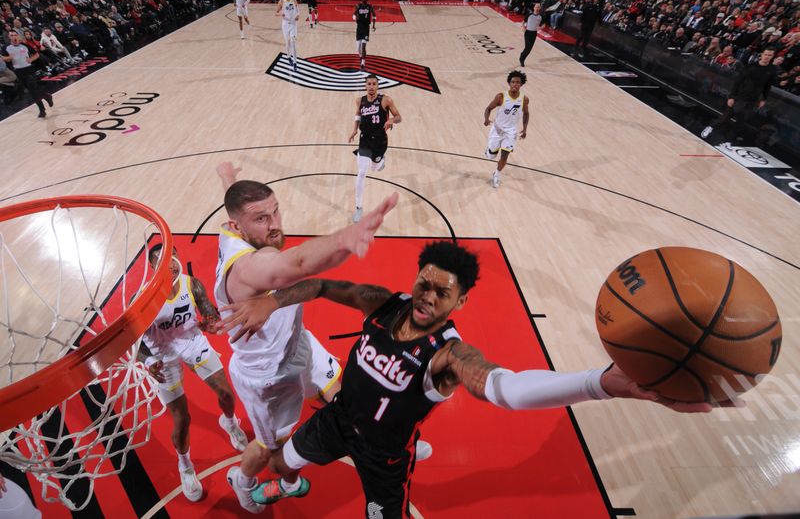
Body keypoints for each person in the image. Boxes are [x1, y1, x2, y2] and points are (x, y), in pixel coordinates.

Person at [219, 241, 715, 517]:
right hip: (337, 420)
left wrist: (598, 383)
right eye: (424, 282)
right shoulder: (384, 303)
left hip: (384, 456)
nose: (428, 295)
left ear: (461, 302)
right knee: (282, 463)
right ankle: (290, 486)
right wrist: (275, 298)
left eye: (443, 291)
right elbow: (327, 284)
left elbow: (509, 389)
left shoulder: (449, 355)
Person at [213, 162, 398, 513]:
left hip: (297, 342)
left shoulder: (233, 228)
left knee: (340, 391)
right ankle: (243, 481)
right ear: (238, 226)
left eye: (276, 211)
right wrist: (345, 237)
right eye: (262, 219)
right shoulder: (248, 267)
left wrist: (229, 179)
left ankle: (375, 445)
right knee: (270, 446)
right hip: (267, 373)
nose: (276, 224)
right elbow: (296, 265)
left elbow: (241, 207)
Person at [138, 244, 247, 502]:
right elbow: (135, 342)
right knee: (182, 418)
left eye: (173, 258)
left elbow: (208, 313)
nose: (172, 264)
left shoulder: (192, 285)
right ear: (153, 267)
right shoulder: (142, 300)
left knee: (227, 394)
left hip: (192, 341)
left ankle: (229, 423)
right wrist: (149, 360)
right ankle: (185, 466)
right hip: (162, 355)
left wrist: (210, 323)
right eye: (163, 261)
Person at [348, 74, 401, 223]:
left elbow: (399, 117)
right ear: (365, 86)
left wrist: (391, 119)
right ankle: (359, 208)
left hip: (380, 141)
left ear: (378, 86)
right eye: (369, 84)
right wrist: (354, 130)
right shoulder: (360, 100)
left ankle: (380, 161)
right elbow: (358, 116)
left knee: (375, 168)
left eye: (374, 84)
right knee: (362, 172)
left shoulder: (386, 100)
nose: (371, 87)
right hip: (364, 140)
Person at [701, 48, 777, 145]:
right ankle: (710, 128)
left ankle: (727, 141)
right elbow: (738, 82)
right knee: (725, 117)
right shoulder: (750, 66)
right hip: (739, 96)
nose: (767, 57)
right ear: (762, 55)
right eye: (766, 54)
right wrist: (732, 96)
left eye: (770, 55)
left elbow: (767, 86)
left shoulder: (772, 70)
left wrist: (764, 99)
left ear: (772, 57)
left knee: (740, 122)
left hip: (752, 99)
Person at [483, 70, 529, 188]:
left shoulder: (524, 99)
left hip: (511, 132)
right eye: (513, 82)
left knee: (505, 155)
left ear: (521, 84)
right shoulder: (501, 97)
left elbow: (526, 113)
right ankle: (489, 150)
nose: (515, 84)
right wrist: (487, 119)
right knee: (491, 156)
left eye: (518, 82)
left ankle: (497, 174)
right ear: (509, 83)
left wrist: (524, 129)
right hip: (497, 130)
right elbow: (488, 108)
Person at [0, 30, 52, 118]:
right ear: (9, 37)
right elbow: (3, 57)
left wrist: (31, 59)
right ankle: (46, 96)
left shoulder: (24, 45)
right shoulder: (6, 47)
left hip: (29, 70)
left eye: (15, 35)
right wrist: (9, 57)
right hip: (18, 71)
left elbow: (36, 54)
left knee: (33, 90)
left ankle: (42, 110)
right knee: (32, 92)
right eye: (11, 35)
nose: (14, 37)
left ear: (18, 36)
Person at [276, 0, 299, 70]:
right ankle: (288, 56)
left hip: (293, 23)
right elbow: (276, 12)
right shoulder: (281, 2)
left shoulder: (294, 1)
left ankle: (295, 62)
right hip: (285, 24)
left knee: (293, 42)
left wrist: (298, 16)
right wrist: (280, 14)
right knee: (287, 42)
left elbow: (297, 10)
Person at [353, 0, 376, 70]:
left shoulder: (370, 6)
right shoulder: (358, 6)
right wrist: (355, 18)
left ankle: (363, 62)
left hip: (366, 28)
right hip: (359, 28)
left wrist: (373, 25)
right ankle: (361, 56)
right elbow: (354, 14)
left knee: (363, 46)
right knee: (358, 49)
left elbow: (374, 15)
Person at [519, 3, 542, 67]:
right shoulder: (529, 15)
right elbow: (523, 22)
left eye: (538, 7)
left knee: (529, 49)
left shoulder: (540, 17)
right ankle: (522, 60)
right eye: (536, 7)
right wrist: (523, 28)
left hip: (534, 33)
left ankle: (523, 57)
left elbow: (543, 24)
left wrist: (541, 27)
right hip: (528, 32)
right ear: (534, 8)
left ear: (540, 8)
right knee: (527, 47)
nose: (537, 8)